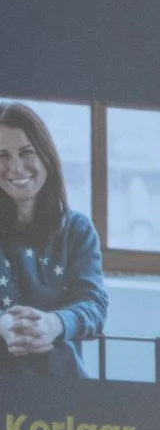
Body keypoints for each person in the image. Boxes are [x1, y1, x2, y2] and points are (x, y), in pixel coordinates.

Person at [0, 102, 107, 378]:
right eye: (2, 155)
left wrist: (54, 323)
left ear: (46, 156)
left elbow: (93, 305)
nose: (15, 167)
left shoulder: (78, 230)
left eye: (27, 153)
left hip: (64, 401)